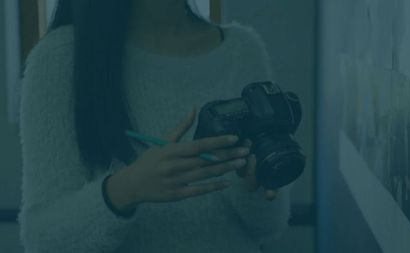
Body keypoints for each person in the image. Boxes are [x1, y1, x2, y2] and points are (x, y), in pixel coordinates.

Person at [17, 0, 292, 252]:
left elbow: (270, 226)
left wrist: (251, 187)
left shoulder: (243, 50)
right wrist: (125, 189)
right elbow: (42, 240)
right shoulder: (59, 58)